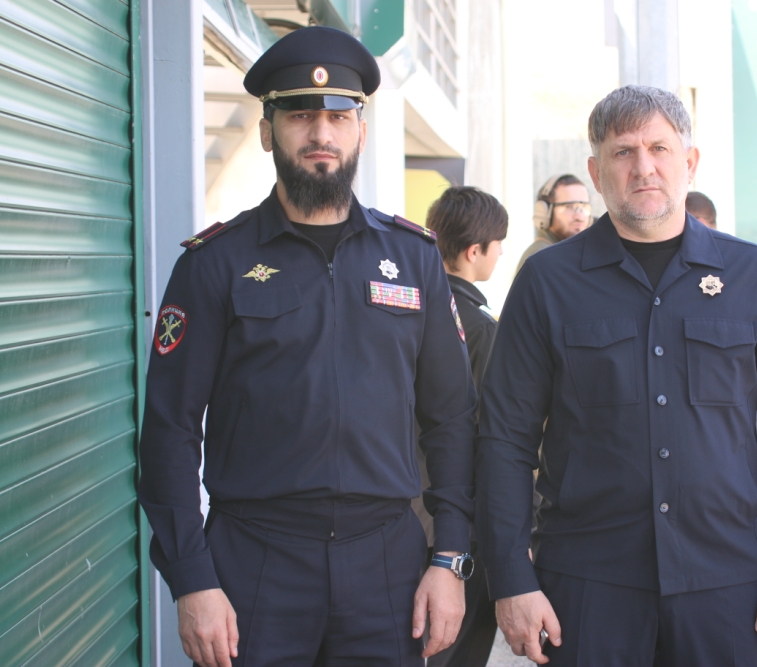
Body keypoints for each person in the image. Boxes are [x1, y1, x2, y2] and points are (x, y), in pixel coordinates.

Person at [138, 26, 478, 667]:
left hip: (387, 567)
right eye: (299, 115)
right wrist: (192, 577)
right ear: (268, 131)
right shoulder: (214, 265)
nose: (321, 133)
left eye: (338, 116)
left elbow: (453, 419)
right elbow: (169, 430)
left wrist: (451, 556)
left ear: (361, 132)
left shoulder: (414, 259)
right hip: (253, 565)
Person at [475, 85, 757, 666]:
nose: (643, 167)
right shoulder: (547, 282)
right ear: (597, 172)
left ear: (689, 161)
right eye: (623, 152)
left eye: (659, 149)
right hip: (588, 588)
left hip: (729, 587)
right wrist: (511, 577)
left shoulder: (755, 276)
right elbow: (504, 438)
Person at [423, 186, 509, 667]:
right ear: (475, 251)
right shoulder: (480, 327)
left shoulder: (407, 310)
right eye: (499, 246)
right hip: (461, 527)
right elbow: (494, 436)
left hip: (406, 516)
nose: (501, 255)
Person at [515, 174, 592, 274]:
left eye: (584, 206)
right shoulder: (542, 257)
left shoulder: (567, 254)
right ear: (545, 212)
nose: (579, 216)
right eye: (569, 207)